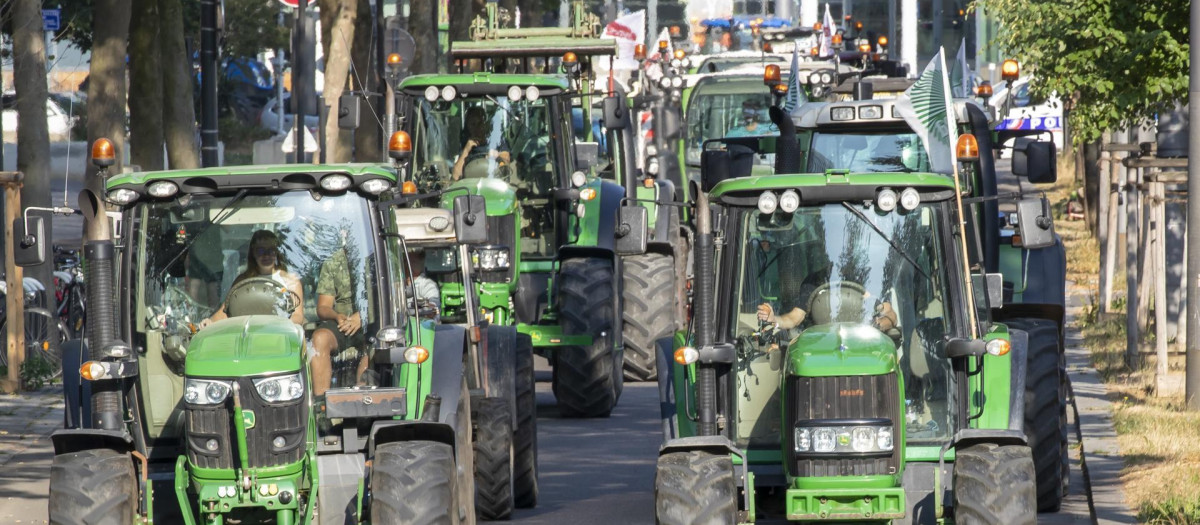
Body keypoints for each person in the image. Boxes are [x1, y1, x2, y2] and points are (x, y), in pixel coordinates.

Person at [199, 230, 305, 329]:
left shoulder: (291, 281)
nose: (266, 255)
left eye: (270, 250)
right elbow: (226, 311)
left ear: (276, 253)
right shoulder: (243, 281)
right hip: (247, 334)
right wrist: (210, 323)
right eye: (261, 250)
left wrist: (273, 325)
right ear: (253, 253)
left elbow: (298, 316)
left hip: (281, 334)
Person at [310, 243, 368, 396]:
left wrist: (363, 316)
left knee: (376, 340)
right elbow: (323, 307)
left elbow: (389, 297)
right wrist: (336, 316)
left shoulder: (377, 255)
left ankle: (364, 400)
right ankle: (322, 406)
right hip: (342, 323)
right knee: (319, 338)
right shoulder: (333, 261)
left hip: (373, 319)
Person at [452, 106, 512, 180]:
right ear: (468, 126)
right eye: (473, 124)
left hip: (495, 183)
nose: (477, 127)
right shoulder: (465, 145)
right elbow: (456, 176)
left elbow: (506, 160)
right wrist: (466, 150)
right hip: (470, 187)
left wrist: (496, 156)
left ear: (485, 124)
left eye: (480, 123)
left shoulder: (497, 140)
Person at [406, 248, 441, 315]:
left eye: (413, 261)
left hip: (420, 324)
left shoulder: (427, 284)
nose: (406, 264)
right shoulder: (396, 284)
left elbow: (434, 309)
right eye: (405, 260)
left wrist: (425, 307)